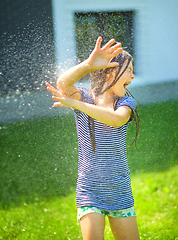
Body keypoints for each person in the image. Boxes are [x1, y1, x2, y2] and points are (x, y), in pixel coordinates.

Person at [46, 36, 140, 240]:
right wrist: (89, 65)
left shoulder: (125, 102)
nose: (133, 75)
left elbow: (115, 120)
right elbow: (63, 83)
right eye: (130, 69)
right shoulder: (86, 97)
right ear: (112, 71)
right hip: (90, 192)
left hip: (120, 190)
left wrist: (75, 104)